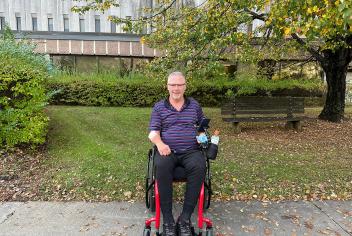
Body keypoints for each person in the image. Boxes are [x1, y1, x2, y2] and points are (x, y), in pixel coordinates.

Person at [148, 71, 206, 236]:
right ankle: (168, 220)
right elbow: (153, 132)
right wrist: (160, 144)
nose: (176, 88)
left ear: (185, 86)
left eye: (180, 84)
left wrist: (203, 136)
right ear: (167, 86)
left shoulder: (194, 105)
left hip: (191, 151)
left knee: (199, 165)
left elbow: (202, 126)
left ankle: (185, 218)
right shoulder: (159, 107)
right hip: (168, 150)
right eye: (173, 85)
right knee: (161, 165)